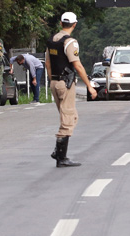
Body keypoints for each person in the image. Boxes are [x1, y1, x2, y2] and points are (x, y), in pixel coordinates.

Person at [46, 12, 97, 167]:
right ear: (74, 25)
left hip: (55, 82)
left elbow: (48, 63)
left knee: (70, 116)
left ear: (61, 23)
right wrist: (89, 86)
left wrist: (52, 81)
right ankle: (60, 156)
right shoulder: (70, 42)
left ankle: (59, 152)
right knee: (68, 118)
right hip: (65, 83)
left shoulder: (52, 40)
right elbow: (77, 65)